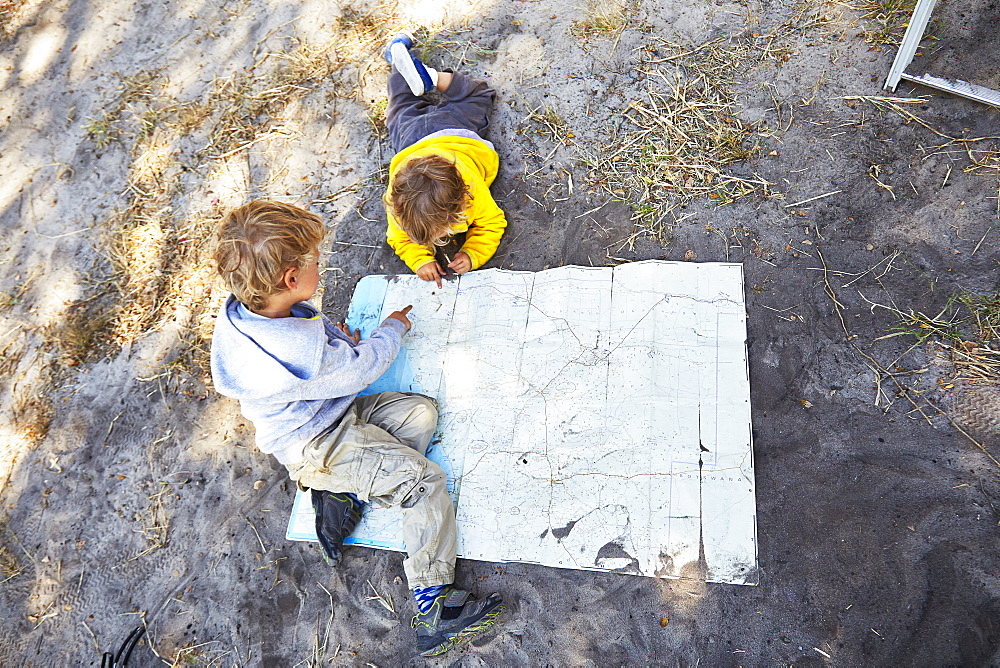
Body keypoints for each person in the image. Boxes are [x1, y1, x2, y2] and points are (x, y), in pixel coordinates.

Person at [209, 199, 504, 656]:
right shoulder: (301, 356)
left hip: (333, 416)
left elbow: (314, 333)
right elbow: (362, 367)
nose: (319, 268)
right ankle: (433, 603)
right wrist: (391, 328)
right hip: (319, 443)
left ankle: (340, 491)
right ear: (291, 278)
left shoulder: (248, 311)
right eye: (313, 262)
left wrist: (337, 339)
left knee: (420, 414)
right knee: (423, 483)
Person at [382, 32, 507, 288]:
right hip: (413, 140)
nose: (443, 240)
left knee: (477, 95)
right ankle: (407, 65)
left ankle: (416, 71)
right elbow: (400, 238)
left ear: (463, 203)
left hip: (451, 130)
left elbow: (492, 222)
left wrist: (473, 252)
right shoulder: (397, 209)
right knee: (401, 106)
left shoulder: (472, 191)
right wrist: (419, 260)